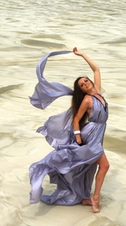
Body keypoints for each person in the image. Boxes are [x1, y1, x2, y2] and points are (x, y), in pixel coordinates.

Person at [28, 48, 109, 213]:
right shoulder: (87, 100)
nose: (86, 84)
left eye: (86, 81)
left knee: (86, 167)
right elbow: (76, 120)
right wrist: (78, 137)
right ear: (82, 90)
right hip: (91, 135)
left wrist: (83, 55)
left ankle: (82, 196)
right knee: (105, 166)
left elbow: (96, 69)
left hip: (99, 132)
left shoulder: (98, 93)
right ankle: (95, 198)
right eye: (82, 85)